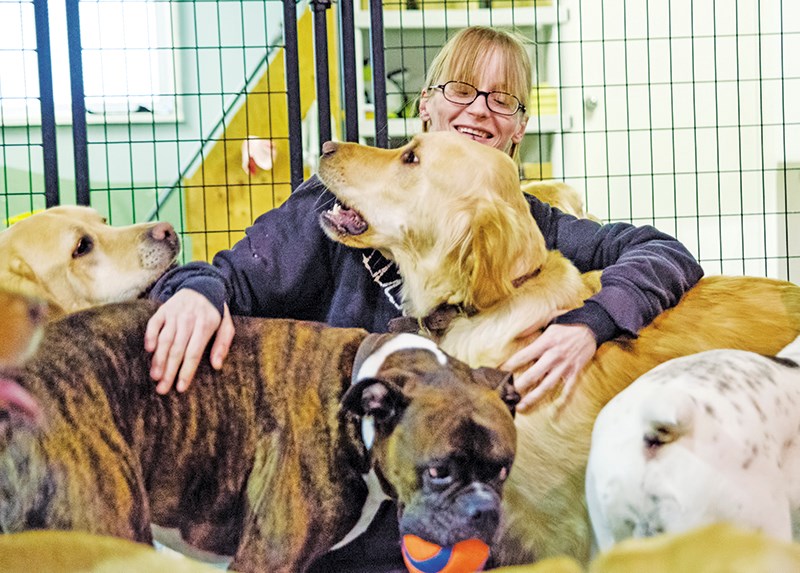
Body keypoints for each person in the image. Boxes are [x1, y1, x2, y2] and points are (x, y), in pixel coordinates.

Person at [145, 26, 703, 412]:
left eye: (503, 100)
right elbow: (234, 276)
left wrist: (593, 321)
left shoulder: (525, 226)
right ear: (426, 107)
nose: (480, 108)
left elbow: (665, 253)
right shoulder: (342, 199)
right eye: (461, 90)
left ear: (517, 132)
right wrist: (196, 292)